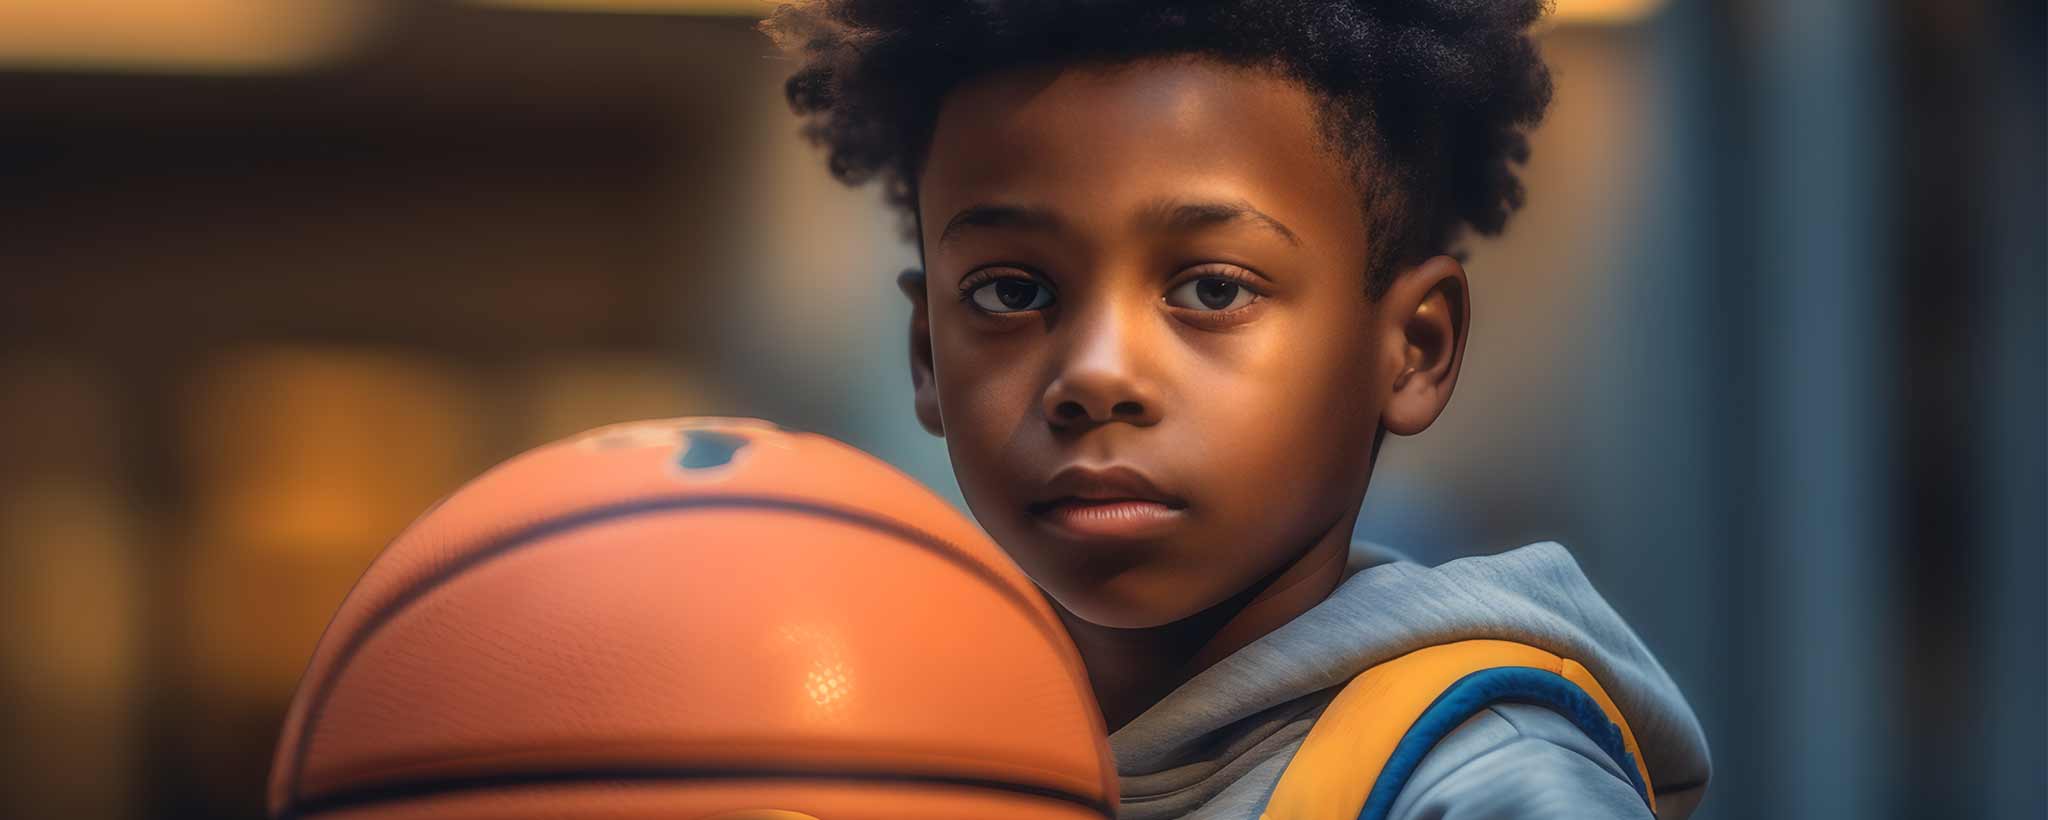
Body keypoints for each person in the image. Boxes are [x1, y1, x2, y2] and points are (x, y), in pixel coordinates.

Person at [760, 2, 1712, 817]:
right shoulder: (882, 754)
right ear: (927, 354)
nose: (1095, 375)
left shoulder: (1486, 783)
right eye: (1013, 292)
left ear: (1414, 349)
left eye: (1212, 290)